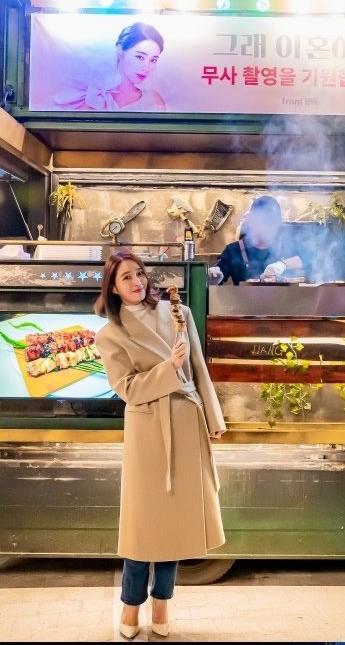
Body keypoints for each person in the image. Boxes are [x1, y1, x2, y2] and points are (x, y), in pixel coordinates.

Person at [94, 249, 226, 639]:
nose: (136, 282)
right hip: (147, 429)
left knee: (174, 525)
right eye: (126, 278)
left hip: (185, 422)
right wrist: (168, 368)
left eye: (139, 274)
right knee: (142, 526)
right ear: (113, 289)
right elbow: (128, 389)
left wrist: (213, 418)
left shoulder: (178, 313)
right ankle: (131, 606)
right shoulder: (109, 335)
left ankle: (162, 604)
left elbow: (198, 367)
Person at [54, 22, 167, 112]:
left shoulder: (153, 99)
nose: (146, 68)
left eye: (153, 60)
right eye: (140, 57)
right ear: (120, 50)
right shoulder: (91, 94)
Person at [209, 195, 304, 285]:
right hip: (242, 297)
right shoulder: (233, 251)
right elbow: (216, 274)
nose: (268, 227)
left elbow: (307, 260)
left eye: (273, 222)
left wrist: (282, 265)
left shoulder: (286, 246)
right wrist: (213, 279)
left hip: (285, 297)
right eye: (263, 221)